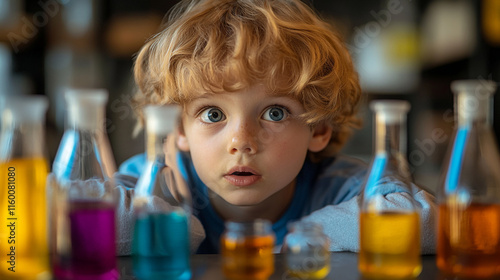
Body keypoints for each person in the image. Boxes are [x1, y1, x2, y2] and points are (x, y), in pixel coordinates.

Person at [115, 0, 437, 255]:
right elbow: (83, 215)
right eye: (213, 114)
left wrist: (306, 236)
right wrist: (181, 228)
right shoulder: (156, 182)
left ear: (319, 128)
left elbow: (422, 220)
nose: (241, 142)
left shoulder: (336, 187)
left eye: (275, 113)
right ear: (178, 129)